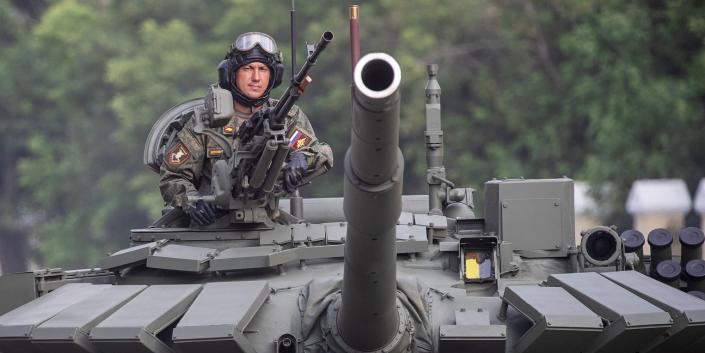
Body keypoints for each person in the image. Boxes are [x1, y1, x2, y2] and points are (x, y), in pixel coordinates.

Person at [159, 32, 333, 226]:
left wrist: (302, 158)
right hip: (212, 231)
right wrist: (193, 202)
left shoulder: (285, 118)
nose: (256, 77)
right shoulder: (206, 122)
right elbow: (173, 177)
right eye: (248, 68)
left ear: (274, 75)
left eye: (263, 69)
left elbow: (322, 153)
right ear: (231, 73)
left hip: (268, 226)